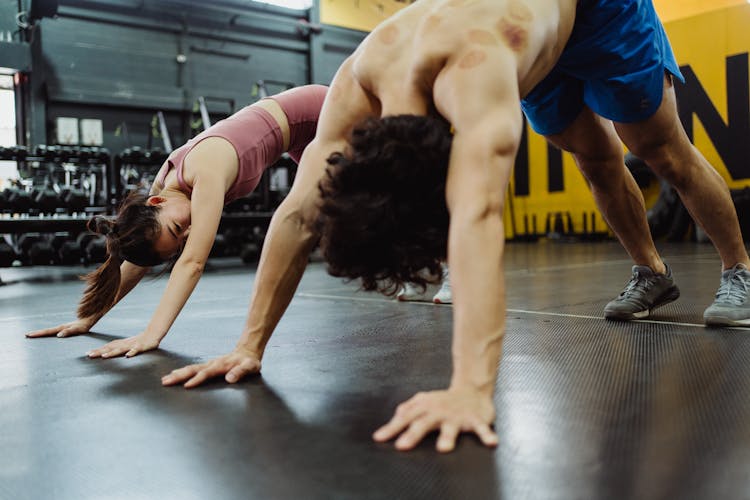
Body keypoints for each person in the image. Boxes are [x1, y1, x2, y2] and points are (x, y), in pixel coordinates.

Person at [157, 0, 750, 453]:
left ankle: (740, 270)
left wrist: (471, 387)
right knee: (593, 158)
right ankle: (652, 272)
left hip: (596, 13)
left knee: (659, 148)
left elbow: (478, 217)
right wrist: (248, 346)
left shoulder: (480, 72)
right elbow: (295, 214)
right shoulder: (357, 83)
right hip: (524, 23)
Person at [25, 84, 327, 358]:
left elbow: (193, 263)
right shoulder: (163, 193)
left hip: (318, 112)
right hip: (301, 139)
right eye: (181, 238)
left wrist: (151, 334)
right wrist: (88, 318)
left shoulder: (204, 170)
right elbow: (135, 263)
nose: (189, 232)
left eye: (177, 228)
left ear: (157, 203)